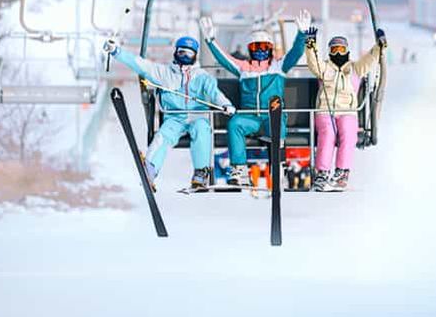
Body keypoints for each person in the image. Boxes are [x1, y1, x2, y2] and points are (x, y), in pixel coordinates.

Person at [103, 36, 235, 189]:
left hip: (197, 116)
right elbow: (139, 64)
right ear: (176, 52)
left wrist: (226, 104)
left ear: (195, 55)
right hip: (174, 118)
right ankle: (150, 169)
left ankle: (201, 172)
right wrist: (116, 52)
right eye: (182, 52)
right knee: (162, 136)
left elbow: (215, 93)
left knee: (202, 130)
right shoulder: (164, 73)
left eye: (189, 53)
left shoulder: (202, 77)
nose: (185, 56)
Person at [199, 11, 310, 186]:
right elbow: (224, 59)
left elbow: (295, 53)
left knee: (277, 124)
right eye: (255, 47)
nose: (260, 51)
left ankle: (278, 165)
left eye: (264, 47)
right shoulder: (243, 68)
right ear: (249, 50)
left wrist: (302, 34)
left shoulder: (278, 66)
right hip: (250, 116)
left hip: (271, 116)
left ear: (270, 49)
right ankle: (239, 169)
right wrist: (210, 40)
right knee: (235, 123)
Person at [304, 27, 386, 191]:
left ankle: (341, 172)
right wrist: (311, 44)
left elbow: (370, 60)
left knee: (348, 135)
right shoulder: (325, 68)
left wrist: (379, 46)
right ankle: (322, 173)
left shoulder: (355, 68)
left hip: (348, 111)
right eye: (334, 50)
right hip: (326, 111)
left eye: (341, 49)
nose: (338, 53)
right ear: (330, 52)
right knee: (328, 135)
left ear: (347, 51)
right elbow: (313, 63)